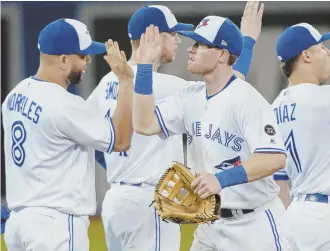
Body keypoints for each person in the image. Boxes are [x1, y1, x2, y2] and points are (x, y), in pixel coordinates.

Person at [87, 2, 263, 250]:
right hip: (151, 202)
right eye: (173, 34)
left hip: (116, 199)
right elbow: (232, 84)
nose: (179, 41)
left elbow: (91, 141)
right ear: (154, 36)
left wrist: (122, 168)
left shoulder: (108, 81)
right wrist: (247, 41)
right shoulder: (162, 85)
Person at [132, 12, 291, 251]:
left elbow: (275, 158)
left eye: (200, 44)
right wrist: (144, 67)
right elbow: (143, 123)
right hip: (210, 224)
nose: (190, 49)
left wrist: (220, 179)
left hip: (255, 225)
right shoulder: (190, 97)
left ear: (222, 55)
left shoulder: (246, 99)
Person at [2, 18, 134, 251]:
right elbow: (121, 140)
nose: (88, 60)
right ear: (63, 60)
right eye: (82, 56)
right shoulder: (65, 104)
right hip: (55, 226)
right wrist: (125, 82)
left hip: (19, 224)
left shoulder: (14, 96)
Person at [272, 23, 330, 250]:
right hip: (322, 216)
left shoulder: (273, 107)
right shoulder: (323, 99)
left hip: (293, 215)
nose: (328, 53)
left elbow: (279, 184)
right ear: (306, 55)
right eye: (322, 48)